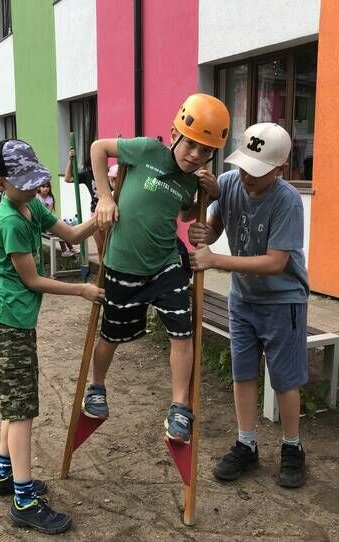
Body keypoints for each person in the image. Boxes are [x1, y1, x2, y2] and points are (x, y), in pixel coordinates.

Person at [82, 93, 229, 444]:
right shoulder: (147, 150)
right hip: (123, 263)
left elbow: (184, 213)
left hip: (165, 264)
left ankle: (179, 406)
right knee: (111, 335)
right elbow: (98, 149)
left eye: (205, 151)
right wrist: (105, 197)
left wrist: (209, 196)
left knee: (183, 333)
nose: (195, 155)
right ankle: (96, 387)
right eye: (190, 144)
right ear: (175, 134)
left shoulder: (192, 180)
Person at [0, 139, 103, 534]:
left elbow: (73, 234)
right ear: (0, 182)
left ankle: (3, 473)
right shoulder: (10, 222)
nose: (34, 187)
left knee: (13, 401)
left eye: (36, 179)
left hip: (14, 320)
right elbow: (32, 280)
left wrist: (102, 214)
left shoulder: (30, 205)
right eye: (25, 182)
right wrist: (81, 290)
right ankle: (24, 500)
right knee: (21, 411)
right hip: (6, 323)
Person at [188, 122, 309, 488]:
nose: (246, 176)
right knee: (242, 373)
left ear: (280, 168)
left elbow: (275, 262)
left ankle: (292, 447)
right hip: (242, 299)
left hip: (282, 300)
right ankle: (246, 445)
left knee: (284, 380)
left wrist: (214, 260)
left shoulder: (288, 201)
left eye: (256, 171)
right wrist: (204, 227)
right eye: (242, 167)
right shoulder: (229, 183)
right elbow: (214, 228)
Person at [64, 147, 103, 257]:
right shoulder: (87, 175)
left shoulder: (108, 173)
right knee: (100, 246)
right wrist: (71, 160)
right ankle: (102, 267)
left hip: (109, 211)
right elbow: (68, 178)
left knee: (108, 245)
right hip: (95, 212)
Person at [36, 182, 76, 257]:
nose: (46, 189)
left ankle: (71, 248)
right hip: (39, 223)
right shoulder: (36, 197)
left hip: (47, 221)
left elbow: (49, 213)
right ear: (39, 188)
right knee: (59, 231)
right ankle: (64, 250)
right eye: (43, 187)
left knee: (62, 229)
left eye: (47, 187)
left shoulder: (50, 198)